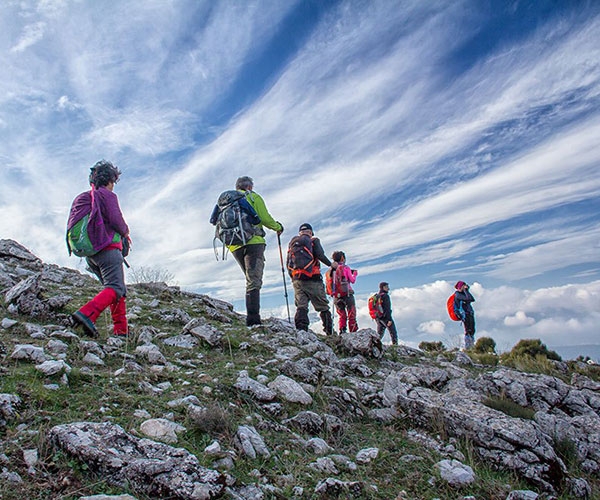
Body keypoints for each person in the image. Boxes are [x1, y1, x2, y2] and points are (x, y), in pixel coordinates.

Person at [67, 160, 131, 337]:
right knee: (115, 288)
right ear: (110, 180)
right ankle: (86, 314)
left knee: (117, 290)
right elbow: (117, 221)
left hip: (91, 254)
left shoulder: (83, 197)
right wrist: (126, 232)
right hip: (108, 251)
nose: (113, 186)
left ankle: (121, 331)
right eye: (113, 182)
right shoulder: (107, 195)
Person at [227, 176, 283, 326]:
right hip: (253, 242)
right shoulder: (253, 197)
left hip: (234, 245)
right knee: (254, 281)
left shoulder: (228, 201)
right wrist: (278, 227)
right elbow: (264, 218)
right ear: (250, 187)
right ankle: (253, 321)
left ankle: (252, 318)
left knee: (250, 279)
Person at [288, 223, 336, 335]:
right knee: (323, 306)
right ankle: (330, 332)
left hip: (297, 279)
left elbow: (288, 263)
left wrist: (293, 277)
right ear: (310, 232)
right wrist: (331, 265)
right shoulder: (313, 241)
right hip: (313, 278)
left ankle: (301, 330)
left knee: (301, 306)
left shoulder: (293, 243)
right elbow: (320, 255)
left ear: (300, 232)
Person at [328, 251, 358, 333]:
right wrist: (354, 274)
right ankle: (353, 330)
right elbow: (352, 280)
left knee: (342, 315)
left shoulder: (331, 270)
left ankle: (342, 330)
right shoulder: (346, 268)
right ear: (342, 258)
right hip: (347, 293)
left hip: (336, 296)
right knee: (351, 313)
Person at [453, 280, 476, 349]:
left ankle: (471, 346)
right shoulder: (458, 294)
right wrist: (466, 290)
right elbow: (469, 298)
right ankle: (468, 347)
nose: (465, 287)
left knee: (472, 330)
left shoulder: (463, 294)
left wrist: (466, 291)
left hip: (469, 313)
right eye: (464, 286)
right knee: (468, 331)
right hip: (465, 315)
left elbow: (472, 299)